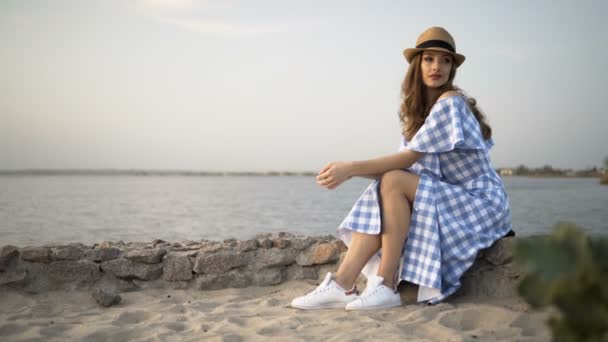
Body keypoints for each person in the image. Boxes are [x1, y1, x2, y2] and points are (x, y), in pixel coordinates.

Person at [291, 27, 512, 310]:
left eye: (445, 61)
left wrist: (350, 168)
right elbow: (396, 171)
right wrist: (351, 172)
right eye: (429, 59)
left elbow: (405, 162)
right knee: (386, 184)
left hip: (480, 204)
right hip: (450, 197)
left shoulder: (450, 103)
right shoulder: (420, 115)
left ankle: (385, 283)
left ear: (452, 69)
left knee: (393, 180)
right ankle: (342, 283)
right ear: (417, 64)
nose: (437, 67)